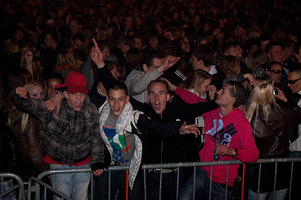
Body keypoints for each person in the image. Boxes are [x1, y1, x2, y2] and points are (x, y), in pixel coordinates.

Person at [94, 81, 200, 200]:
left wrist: (178, 128)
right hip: (107, 168)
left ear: (127, 99)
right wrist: (96, 160)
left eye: (120, 99)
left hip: (130, 171)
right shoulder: (100, 113)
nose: (116, 104)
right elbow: (95, 138)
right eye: (113, 99)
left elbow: (158, 127)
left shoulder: (135, 117)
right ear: (107, 99)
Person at [14, 71, 105, 200]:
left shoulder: (92, 110)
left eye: (82, 93)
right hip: (59, 165)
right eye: (74, 93)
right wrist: (20, 97)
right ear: (66, 94)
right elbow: (32, 105)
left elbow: (96, 138)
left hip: (83, 164)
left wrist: (97, 161)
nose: (79, 98)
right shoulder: (52, 107)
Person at [178, 81, 259, 200]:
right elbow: (193, 99)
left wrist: (233, 152)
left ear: (232, 100)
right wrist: (175, 88)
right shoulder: (211, 112)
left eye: (223, 91)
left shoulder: (241, 123)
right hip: (203, 172)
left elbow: (254, 154)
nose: (218, 92)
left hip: (222, 182)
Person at [246, 80, 301, 200]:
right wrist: (286, 99)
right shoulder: (284, 110)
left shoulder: (251, 117)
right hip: (282, 166)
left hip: (263, 168)